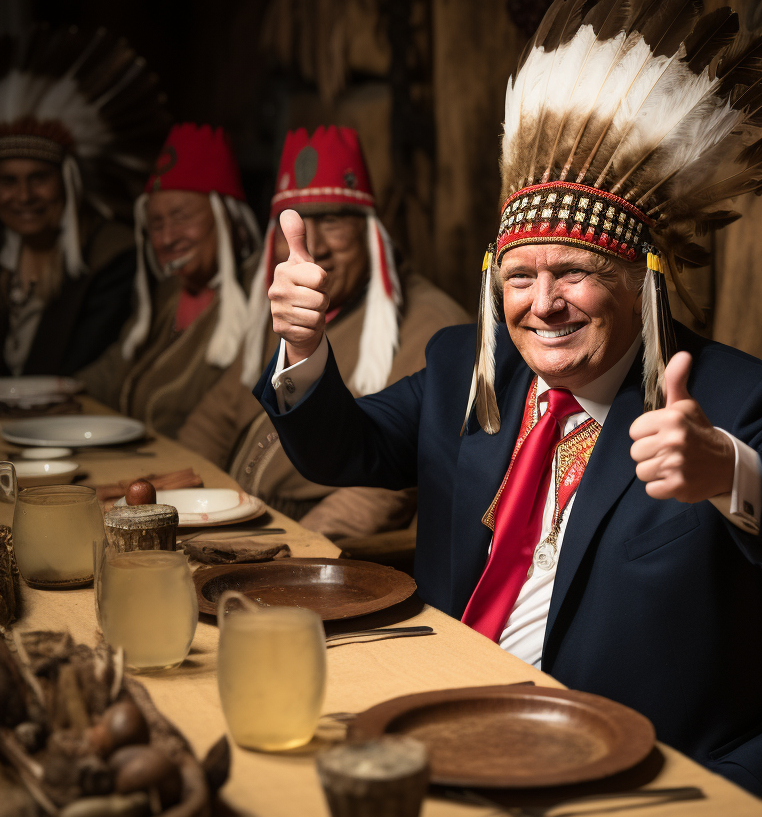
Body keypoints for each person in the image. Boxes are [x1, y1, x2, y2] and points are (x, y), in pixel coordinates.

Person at [255, 0, 762, 794]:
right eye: (520, 276)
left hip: (648, 762)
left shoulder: (732, 398)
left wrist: (725, 472)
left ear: (643, 286)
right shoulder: (463, 368)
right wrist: (303, 346)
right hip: (445, 719)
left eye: (575, 272)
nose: (543, 304)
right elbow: (344, 448)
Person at [178, 126, 468, 534]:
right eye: (294, 228)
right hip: (236, 514)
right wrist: (183, 499)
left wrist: (292, 547)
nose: (314, 247)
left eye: (332, 220)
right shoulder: (283, 308)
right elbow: (219, 414)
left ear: (369, 232)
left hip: (310, 533)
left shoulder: (434, 325)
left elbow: (384, 486)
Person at [0, 27, 169, 376]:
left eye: (39, 179)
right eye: (8, 181)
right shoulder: (4, 253)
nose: (24, 197)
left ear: (68, 184)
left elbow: (78, 369)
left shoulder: (111, 257)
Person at [79, 124, 262, 437]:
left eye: (181, 218)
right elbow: (112, 369)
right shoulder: (165, 297)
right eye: (156, 224)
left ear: (226, 219)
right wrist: (58, 392)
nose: (166, 239)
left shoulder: (258, 300)